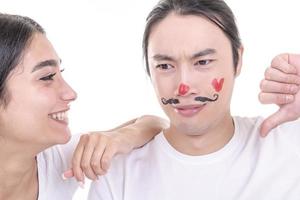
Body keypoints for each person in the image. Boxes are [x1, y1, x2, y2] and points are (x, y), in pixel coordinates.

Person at [88, 0, 300, 199]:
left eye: (203, 61)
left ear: (238, 59)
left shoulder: (288, 146)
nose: (184, 86)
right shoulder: (116, 172)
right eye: (165, 66)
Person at [0, 13, 168, 200]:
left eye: (59, 73)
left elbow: (157, 124)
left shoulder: (57, 163)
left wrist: (120, 138)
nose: (70, 93)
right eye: (47, 77)